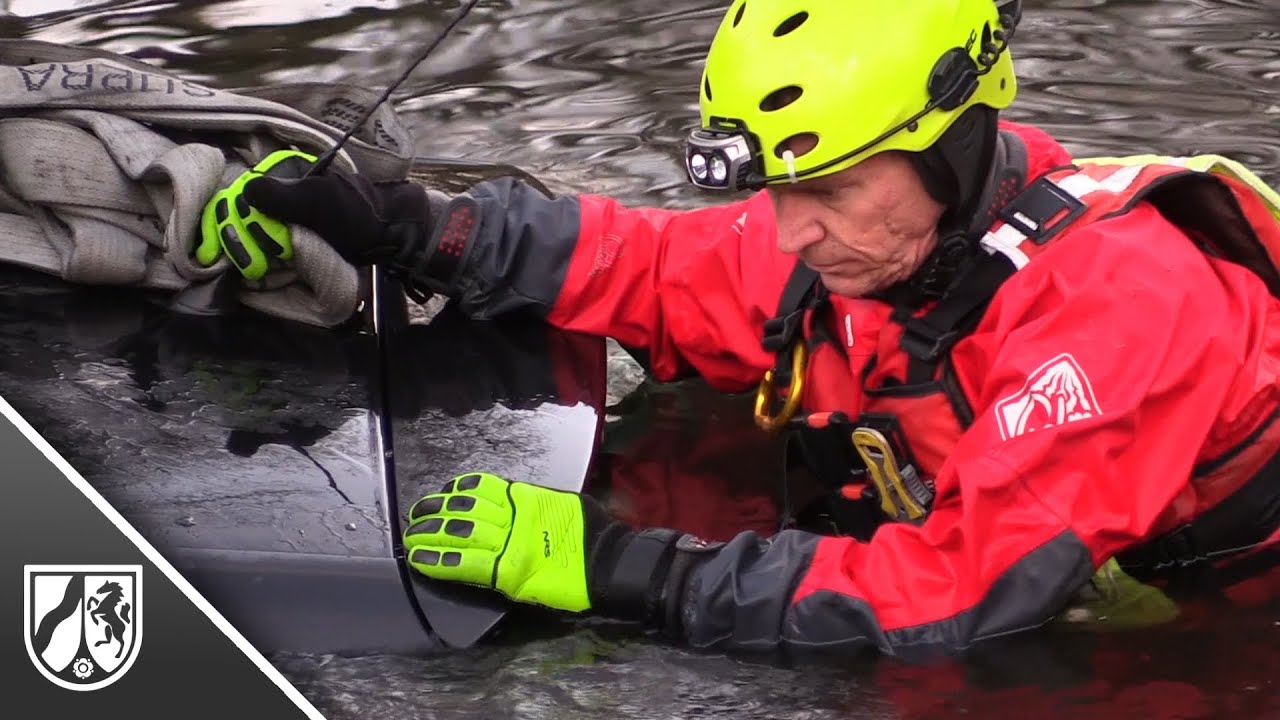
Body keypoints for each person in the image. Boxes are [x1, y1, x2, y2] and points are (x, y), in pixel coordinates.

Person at [207, 0, 1280, 656]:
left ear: (951, 151)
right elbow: (650, 267)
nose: (786, 229)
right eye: (773, 186)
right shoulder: (880, 238)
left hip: (1222, 615)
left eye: (826, 189)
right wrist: (408, 226)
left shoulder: (1122, 303)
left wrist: (627, 571)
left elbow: (960, 593)